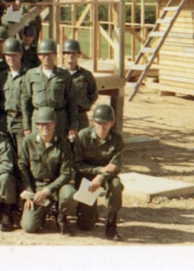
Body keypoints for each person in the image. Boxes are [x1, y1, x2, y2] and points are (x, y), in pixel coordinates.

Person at [18, 107, 76, 235]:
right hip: (36, 187)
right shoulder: (28, 141)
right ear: (37, 125)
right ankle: (43, 212)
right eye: (42, 124)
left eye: (49, 123)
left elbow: (66, 173)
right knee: (29, 227)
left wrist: (48, 190)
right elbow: (22, 167)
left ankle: (61, 216)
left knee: (69, 193)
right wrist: (29, 193)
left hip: (56, 187)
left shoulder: (62, 144)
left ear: (54, 124)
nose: (45, 127)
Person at [73, 103, 124, 240]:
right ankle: (91, 212)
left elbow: (116, 166)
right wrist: (99, 170)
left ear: (112, 123)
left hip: (107, 177)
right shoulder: (83, 136)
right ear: (93, 122)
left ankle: (111, 225)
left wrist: (101, 176)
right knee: (85, 226)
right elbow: (77, 165)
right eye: (98, 123)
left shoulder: (117, 139)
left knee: (116, 186)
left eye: (105, 123)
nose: (101, 127)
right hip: (86, 177)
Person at [22, 38, 76, 141]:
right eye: (43, 54)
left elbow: (71, 101)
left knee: (59, 149)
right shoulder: (31, 74)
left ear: (55, 55)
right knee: (38, 149)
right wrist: (26, 126)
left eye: (49, 54)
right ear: (38, 56)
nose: (46, 57)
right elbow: (25, 101)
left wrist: (73, 126)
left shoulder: (64, 75)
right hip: (38, 120)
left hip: (59, 119)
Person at [62, 39, 98, 129]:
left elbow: (93, 94)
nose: (70, 55)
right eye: (67, 53)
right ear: (63, 55)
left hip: (80, 116)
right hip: (62, 116)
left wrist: (84, 104)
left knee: (81, 141)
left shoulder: (86, 75)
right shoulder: (57, 74)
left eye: (73, 53)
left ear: (79, 54)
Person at [0, 38, 27, 152]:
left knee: (22, 156)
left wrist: (27, 126)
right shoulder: (2, 76)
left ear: (20, 55)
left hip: (21, 121)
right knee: (7, 156)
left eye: (14, 55)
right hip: (5, 120)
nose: (10, 58)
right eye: (7, 55)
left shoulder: (28, 75)